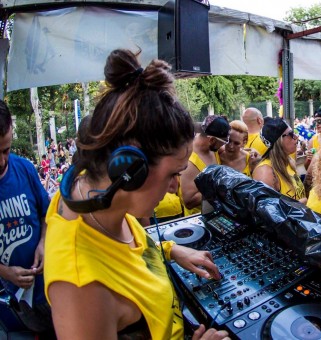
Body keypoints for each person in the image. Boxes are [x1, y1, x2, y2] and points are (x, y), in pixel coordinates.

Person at [43, 49, 227, 339]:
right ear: (130, 168)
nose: (174, 188)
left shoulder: (87, 191)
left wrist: (169, 250)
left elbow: (124, 254)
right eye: (172, 175)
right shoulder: (82, 291)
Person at [0, 101, 54, 335]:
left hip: (52, 282)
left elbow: (46, 212)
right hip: (21, 298)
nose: (2, 161)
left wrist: (43, 241)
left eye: (6, 150)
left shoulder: (24, 168)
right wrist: (4, 271)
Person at [180, 115, 230, 216]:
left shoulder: (212, 148)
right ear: (211, 140)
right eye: (222, 142)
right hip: (198, 218)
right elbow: (189, 201)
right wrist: (219, 190)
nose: (223, 146)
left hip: (216, 213)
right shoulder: (190, 162)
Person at [252, 117, 306, 202]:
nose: (296, 137)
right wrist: (301, 203)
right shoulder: (265, 172)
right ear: (278, 141)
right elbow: (266, 212)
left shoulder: (288, 160)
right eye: (291, 134)